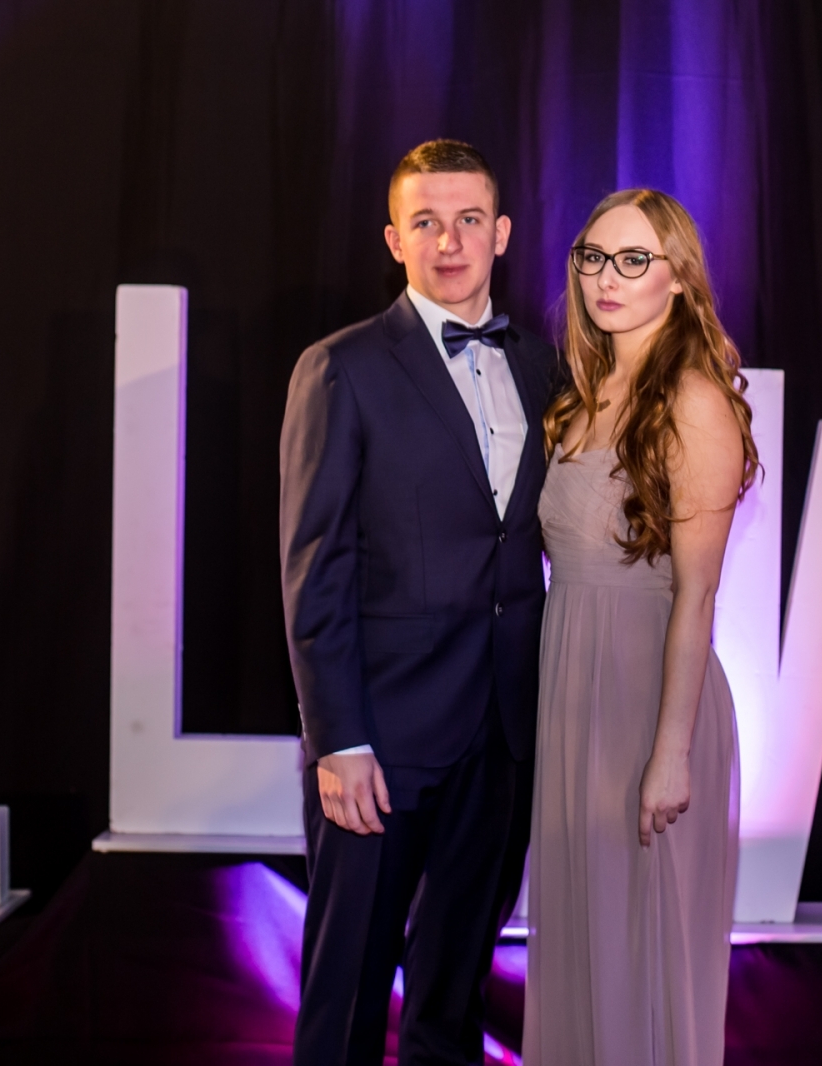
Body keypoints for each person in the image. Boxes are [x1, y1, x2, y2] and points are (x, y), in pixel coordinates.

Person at [279, 140, 560, 1065]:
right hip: (381, 739)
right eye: (426, 222)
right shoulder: (342, 368)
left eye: (469, 219)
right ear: (395, 240)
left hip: (504, 735)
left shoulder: (544, 369)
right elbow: (314, 566)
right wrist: (337, 740)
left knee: (454, 990)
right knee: (348, 991)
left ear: (501, 233)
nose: (450, 242)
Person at [523, 189, 756, 1066]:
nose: (606, 279)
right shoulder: (580, 397)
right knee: (587, 948)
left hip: (650, 702)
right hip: (574, 698)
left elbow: (697, 596)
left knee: (642, 958)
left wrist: (671, 753)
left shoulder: (695, 401)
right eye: (592, 257)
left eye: (633, 261)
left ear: (679, 279)